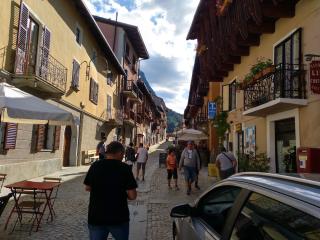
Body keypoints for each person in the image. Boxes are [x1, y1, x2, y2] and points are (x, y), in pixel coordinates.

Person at [84, 141, 137, 240]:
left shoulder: (95, 166)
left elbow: (88, 187)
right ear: (120, 153)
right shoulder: (125, 168)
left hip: (96, 216)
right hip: (118, 217)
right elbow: (132, 196)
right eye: (123, 153)